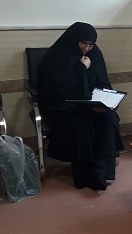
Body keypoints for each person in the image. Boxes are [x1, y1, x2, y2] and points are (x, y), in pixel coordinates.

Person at [38, 22, 124, 191]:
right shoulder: (56, 56)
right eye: (83, 43)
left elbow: (102, 82)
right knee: (81, 125)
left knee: (108, 118)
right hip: (62, 107)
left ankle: (101, 172)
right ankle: (83, 176)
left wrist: (103, 102)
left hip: (90, 104)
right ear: (73, 39)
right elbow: (59, 89)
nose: (86, 48)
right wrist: (81, 68)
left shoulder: (95, 53)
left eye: (91, 45)